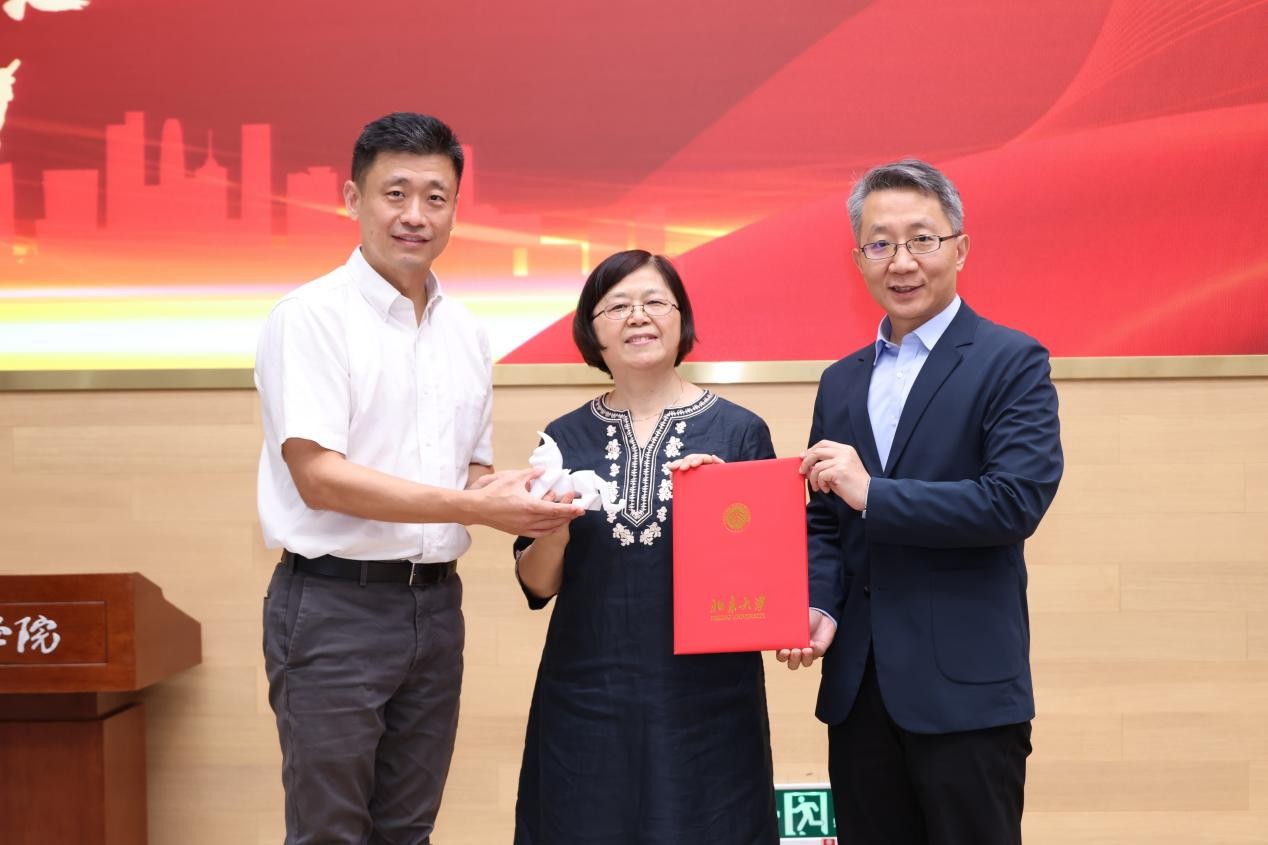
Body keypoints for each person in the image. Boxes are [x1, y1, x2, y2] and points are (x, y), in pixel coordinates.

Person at [254, 112, 581, 844]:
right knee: (330, 832)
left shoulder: (465, 331)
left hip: (434, 608)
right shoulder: (309, 317)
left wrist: (524, 495)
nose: (415, 215)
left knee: (408, 829)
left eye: (436, 197)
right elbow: (319, 478)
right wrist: (473, 504)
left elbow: (469, 470)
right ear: (352, 198)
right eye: (395, 193)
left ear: (456, 209)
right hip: (333, 605)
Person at [781, 159, 1063, 844]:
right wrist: (819, 602)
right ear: (859, 260)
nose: (902, 261)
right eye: (880, 243)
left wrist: (874, 494)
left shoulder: (1011, 360)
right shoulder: (840, 381)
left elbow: (1013, 502)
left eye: (922, 239)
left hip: (965, 693)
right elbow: (824, 520)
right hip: (859, 692)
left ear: (960, 248)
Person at [512, 249, 780, 844]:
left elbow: (766, 577)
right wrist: (556, 523)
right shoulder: (562, 437)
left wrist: (723, 509)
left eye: (655, 301)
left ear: (682, 320)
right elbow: (537, 583)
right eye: (617, 306)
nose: (638, 316)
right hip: (585, 693)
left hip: (707, 700)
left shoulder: (739, 431)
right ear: (592, 332)